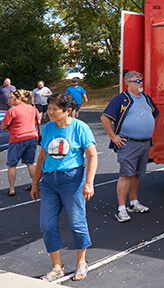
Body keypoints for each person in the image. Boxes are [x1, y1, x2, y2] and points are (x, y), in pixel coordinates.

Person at [30, 93, 98, 282]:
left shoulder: (80, 128)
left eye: (53, 109)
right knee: (47, 225)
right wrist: (35, 182)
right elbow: (42, 157)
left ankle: (81, 263)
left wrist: (89, 182)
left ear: (67, 111)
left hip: (72, 181)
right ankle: (56, 267)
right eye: (49, 108)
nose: (49, 112)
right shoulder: (49, 127)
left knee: (77, 223)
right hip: (50, 182)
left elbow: (92, 156)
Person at [101, 71, 159, 223]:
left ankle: (133, 203)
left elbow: (156, 114)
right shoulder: (121, 99)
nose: (140, 83)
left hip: (144, 143)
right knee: (126, 175)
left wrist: (148, 127)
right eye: (137, 80)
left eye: (141, 80)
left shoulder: (146, 98)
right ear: (128, 83)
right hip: (129, 143)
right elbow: (105, 117)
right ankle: (121, 209)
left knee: (136, 174)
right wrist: (114, 137)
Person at [1, 89, 40, 196]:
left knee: (12, 165)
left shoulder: (12, 111)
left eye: (11, 98)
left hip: (17, 139)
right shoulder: (32, 108)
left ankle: (12, 189)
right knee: (30, 163)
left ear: (18, 99)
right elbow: (38, 121)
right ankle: (35, 184)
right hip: (32, 137)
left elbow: (3, 126)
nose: (9, 100)